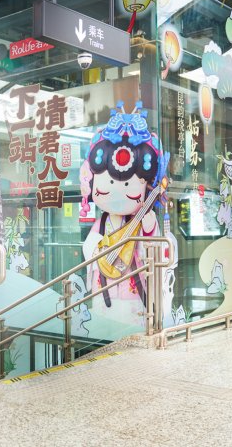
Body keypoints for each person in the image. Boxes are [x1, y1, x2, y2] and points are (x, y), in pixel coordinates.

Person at [80, 101, 169, 324]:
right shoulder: (101, 223)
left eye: (129, 184)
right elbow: (89, 247)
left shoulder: (143, 219)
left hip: (133, 293)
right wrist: (99, 250)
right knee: (103, 325)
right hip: (104, 289)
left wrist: (149, 230)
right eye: (108, 181)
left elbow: (156, 251)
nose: (118, 189)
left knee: (133, 324)